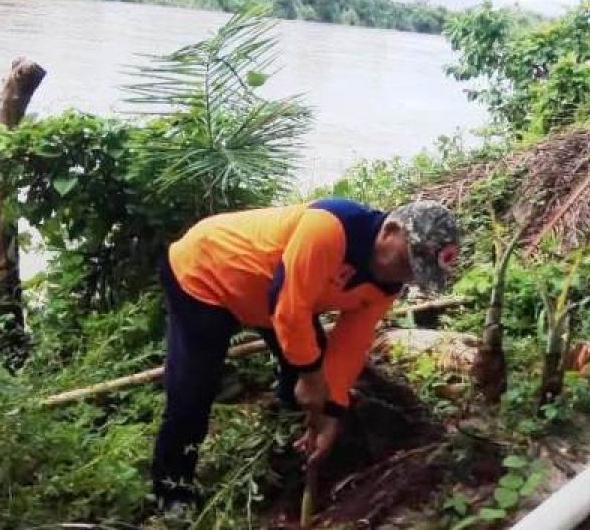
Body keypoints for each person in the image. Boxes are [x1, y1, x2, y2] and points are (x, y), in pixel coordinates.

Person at [153, 198, 460, 508]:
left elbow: (351, 343)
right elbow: (289, 310)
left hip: (277, 298)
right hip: (207, 272)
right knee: (193, 391)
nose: (405, 277)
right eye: (408, 262)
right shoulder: (329, 228)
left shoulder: (386, 284)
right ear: (390, 231)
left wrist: (331, 411)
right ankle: (173, 491)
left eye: (415, 274)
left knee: (307, 372)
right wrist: (312, 378)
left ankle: (289, 451)